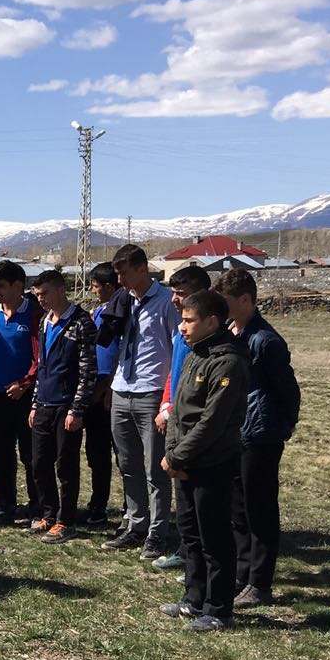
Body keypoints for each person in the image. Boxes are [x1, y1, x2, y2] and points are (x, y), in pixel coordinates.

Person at [161, 289, 249, 632]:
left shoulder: (227, 361)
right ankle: (194, 598)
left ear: (212, 321)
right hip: (184, 463)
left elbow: (212, 421)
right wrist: (173, 453)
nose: (182, 327)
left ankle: (218, 609)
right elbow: (178, 412)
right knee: (191, 534)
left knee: (214, 538)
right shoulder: (195, 354)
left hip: (212, 462)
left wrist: (178, 455)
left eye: (188, 320)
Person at [218, 268, 300, 608]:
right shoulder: (231, 332)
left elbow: (287, 390)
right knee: (238, 509)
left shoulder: (265, 341)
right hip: (236, 432)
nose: (220, 307)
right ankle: (242, 574)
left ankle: (260, 583)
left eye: (226, 301)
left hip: (260, 434)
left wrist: (283, 425)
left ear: (245, 300)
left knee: (260, 509)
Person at [104, 243, 179, 558]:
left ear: (141, 269)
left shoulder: (166, 303)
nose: (119, 280)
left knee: (154, 469)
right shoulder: (124, 301)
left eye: (124, 273)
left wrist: (168, 400)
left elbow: (178, 350)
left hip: (151, 392)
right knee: (128, 464)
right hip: (122, 389)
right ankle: (136, 525)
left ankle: (157, 533)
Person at [26, 270, 98, 543]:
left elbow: (88, 371)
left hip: (67, 406)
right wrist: (35, 403)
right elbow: (42, 366)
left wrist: (77, 409)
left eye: (44, 293)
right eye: (37, 295)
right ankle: (48, 514)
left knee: (66, 467)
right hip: (44, 403)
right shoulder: (44, 321)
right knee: (39, 463)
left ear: (60, 290)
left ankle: (66, 521)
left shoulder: (81, 322)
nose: (41, 299)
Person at [151, 265, 211, 570]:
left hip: (193, 423)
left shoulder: (205, 340)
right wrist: (166, 404)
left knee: (199, 496)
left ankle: (200, 559)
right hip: (175, 418)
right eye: (173, 293)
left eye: (180, 293)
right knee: (183, 495)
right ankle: (187, 552)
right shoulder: (182, 332)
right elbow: (173, 373)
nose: (174, 299)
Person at [0, 260, 42, 526]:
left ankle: (38, 506)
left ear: (18, 286)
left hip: (26, 398)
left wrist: (25, 383)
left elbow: (41, 357)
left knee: (30, 454)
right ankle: (5, 503)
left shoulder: (35, 315)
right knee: (0, 453)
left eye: (0, 286)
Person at [83, 263, 120, 525]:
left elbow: (120, 352)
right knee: (96, 454)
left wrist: (108, 387)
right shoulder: (96, 313)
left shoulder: (120, 315)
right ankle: (98, 504)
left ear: (109, 286)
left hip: (111, 392)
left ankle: (131, 508)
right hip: (92, 389)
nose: (93, 291)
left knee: (122, 456)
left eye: (96, 287)